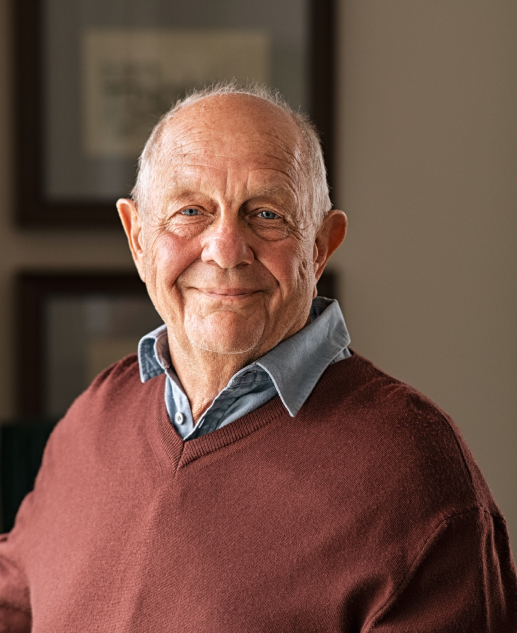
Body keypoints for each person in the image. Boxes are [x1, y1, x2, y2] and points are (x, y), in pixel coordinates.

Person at [1, 84, 516, 632]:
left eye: (266, 214)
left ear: (321, 246)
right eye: (191, 210)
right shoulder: (97, 415)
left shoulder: (415, 469)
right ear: (137, 238)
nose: (225, 249)